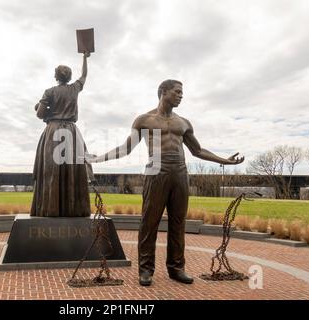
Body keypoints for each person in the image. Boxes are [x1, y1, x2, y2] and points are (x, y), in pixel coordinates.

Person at [88, 79, 244, 286]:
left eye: (182, 92)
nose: (181, 95)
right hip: (156, 172)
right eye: (177, 92)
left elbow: (197, 151)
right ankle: (145, 270)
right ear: (163, 92)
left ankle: (177, 268)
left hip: (180, 172)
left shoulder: (184, 123)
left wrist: (224, 161)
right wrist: (97, 159)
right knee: (149, 223)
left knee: (178, 223)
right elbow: (126, 148)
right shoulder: (144, 120)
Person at [31, 52, 93, 217]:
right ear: (70, 77)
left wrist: (38, 106)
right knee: (73, 169)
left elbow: (40, 114)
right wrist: (85, 58)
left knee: (52, 169)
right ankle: (73, 208)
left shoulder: (49, 92)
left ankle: (50, 208)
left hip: (53, 131)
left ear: (55, 77)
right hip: (71, 132)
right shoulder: (74, 88)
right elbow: (84, 75)